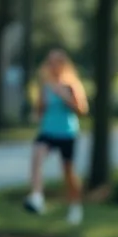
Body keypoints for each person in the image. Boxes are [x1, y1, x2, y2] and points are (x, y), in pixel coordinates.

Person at [23, 49, 89, 225]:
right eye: (49, 63)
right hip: (48, 131)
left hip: (67, 132)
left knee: (68, 173)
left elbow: (82, 109)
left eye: (55, 63)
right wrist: (37, 113)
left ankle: (75, 206)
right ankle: (37, 196)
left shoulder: (72, 84)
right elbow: (40, 109)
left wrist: (65, 96)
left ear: (63, 64)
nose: (52, 66)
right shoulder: (45, 86)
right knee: (37, 156)